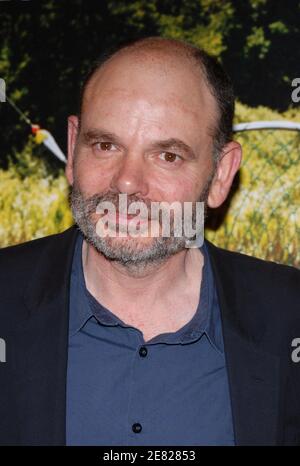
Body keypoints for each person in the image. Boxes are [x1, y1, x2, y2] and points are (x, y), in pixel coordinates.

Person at [0, 37, 299, 446]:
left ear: (221, 174)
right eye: (105, 145)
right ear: (72, 148)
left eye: (168, 156)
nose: (126, 182)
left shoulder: (290, 317)